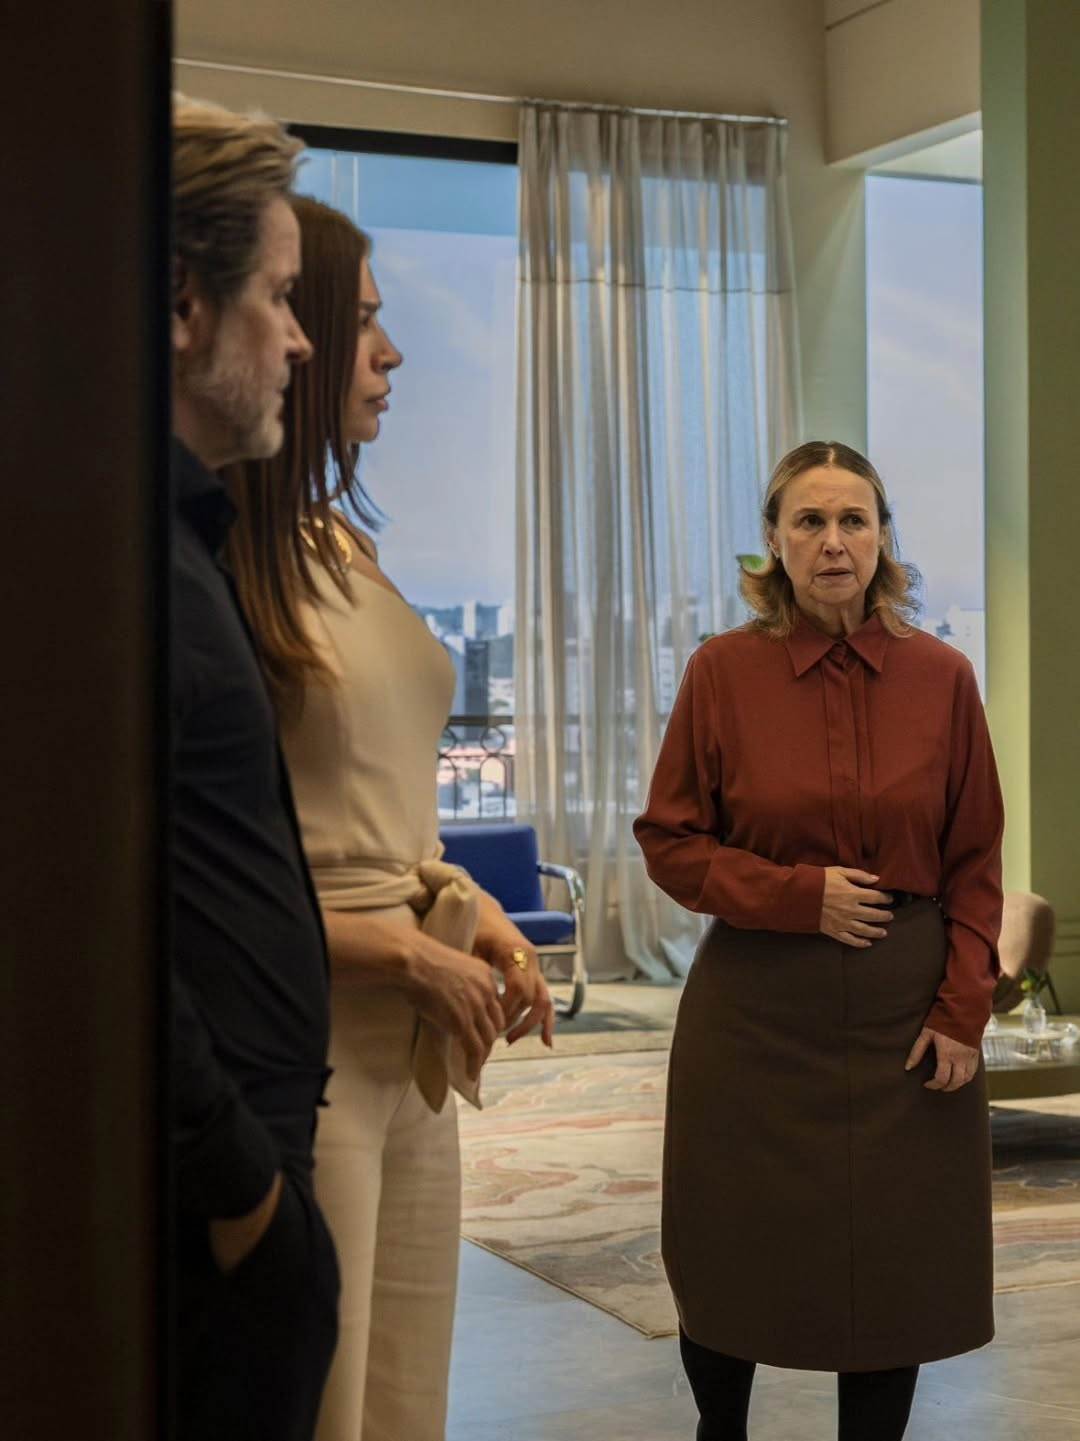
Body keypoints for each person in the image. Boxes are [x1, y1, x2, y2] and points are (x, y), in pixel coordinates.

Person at [226, 195, 556, 1441]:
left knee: (407, 1400)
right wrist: (404, 950)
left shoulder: (337, 544)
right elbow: (196, 876)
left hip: (415, 1048)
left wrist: (479, 929)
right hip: (302, 1032)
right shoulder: (219, 558)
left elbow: (382, 797)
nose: (390, 352)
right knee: (319, 1399)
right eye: (361, 321)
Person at [634, 440, 1004, 1441]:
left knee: (893, 1265)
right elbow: (670, 841)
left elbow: (977, 859)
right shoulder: (720, 673)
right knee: (731, 1245)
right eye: (810, 521)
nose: (833, 541)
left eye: (853, 520)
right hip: (754, 1015)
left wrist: (964, 1009)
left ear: (882, 539)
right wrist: (801, 896)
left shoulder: (944, 678)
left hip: (906, 1017)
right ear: (774, 540)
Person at [170, 98, 339, 1441]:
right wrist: (242, 1190)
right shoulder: (113, 562)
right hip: (200, 1219)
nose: (301, 339)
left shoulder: (181, 544)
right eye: (279, 297)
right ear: (184, 303)